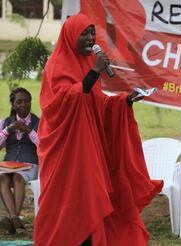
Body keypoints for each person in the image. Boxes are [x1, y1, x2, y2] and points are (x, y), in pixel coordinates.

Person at [34, 13, 163, 246]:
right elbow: (61, 103)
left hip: (87, 148)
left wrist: (125, 101)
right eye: (84, 33)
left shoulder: (87, 64)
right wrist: (94, 71)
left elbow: (97, 104)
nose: (90, 37)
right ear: (71, 35)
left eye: (92, 32)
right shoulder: (57, 64)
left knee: (91, 197)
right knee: (66, 200)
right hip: (64, 150)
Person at [0, 88, 39, 234]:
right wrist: (8, 130)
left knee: (18, 177)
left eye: (27, 101)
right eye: (19, 102)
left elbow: (43, 147)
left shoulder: (38, 123)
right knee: (2, 178)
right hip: (8, 166)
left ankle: (11, 220)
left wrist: (29, 131)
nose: (24, 105)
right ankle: (16, 220)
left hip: (30, 165)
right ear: (13, 105)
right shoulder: (5, 122)